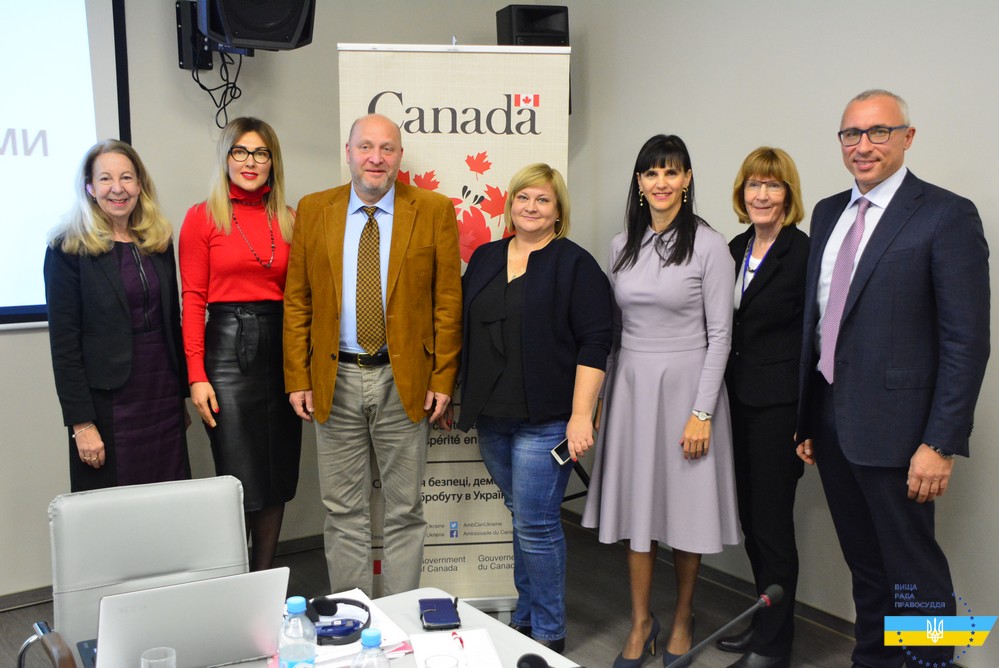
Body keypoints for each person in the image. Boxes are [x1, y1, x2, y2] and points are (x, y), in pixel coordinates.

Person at [795, 90, 989, 667]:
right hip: (832, 423)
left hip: (903, 435)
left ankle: (932, 663)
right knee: (866, 566)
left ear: (907, 137)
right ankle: (873, 660)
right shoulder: (827, 212)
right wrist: (810, 419)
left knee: (915, 573)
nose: (863, 145)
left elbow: (967, 341)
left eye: (879, 132)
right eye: (851, 134)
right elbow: (820, 321)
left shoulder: (946, 214)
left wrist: (940, 443)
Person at [283, 113, 462, 596]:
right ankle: (353, 616)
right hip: (334, 378)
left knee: (405, 510)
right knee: (343, 511)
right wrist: (298, 376)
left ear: (400, 156)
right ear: (348, 151)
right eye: (366, 147)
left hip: (404, 381)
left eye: (386, 148)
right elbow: (297, 300)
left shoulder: (432, 210)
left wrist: (442, 379)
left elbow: (448, 302)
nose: (375, 158)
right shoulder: (315, 209)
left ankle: (398, 616)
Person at [582, 134, 740, 668]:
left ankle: (682, 617)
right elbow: (612, 331)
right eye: (652, 173)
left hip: (688, 390)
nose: (661, 182)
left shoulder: (711, 246)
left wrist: (702, 413)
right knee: (639, 510)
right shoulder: (620, 245)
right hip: (631, 387)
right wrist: (600, 398)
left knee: (686, 511)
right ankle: (641, 621)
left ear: (687, 179)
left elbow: (721, 336)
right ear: (640, 181)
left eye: (672, 172)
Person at [458, 163, 612, 654]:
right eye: (523, 197)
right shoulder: (485, 257)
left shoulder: (576, 265)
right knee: (523, 515)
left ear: (558, 210)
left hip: (547, 420)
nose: (531, 207)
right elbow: (463, 329)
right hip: (492, 417)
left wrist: (582, 414)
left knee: (536, 523)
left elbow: (595, 342)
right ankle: (525, 617)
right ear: (510, 204)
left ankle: (547, 632)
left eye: (543, 199)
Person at [179, 117, 302, 572]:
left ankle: (265, 580)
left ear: (273, 162)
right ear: (226, 158)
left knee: (276, 475)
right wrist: (196, 375)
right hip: (227, 353)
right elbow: (193, 299)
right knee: (240, 478)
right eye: (241, 152)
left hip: (281, 352)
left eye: (261, 153)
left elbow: (301, 298)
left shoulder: (290, 219)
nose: (251, 162)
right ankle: (236, 581)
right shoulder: (202, 217)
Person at [45, 140, 190, 492]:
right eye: (105, 178)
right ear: (89, 188)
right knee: (115, 509)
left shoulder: (158, 240)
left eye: (126, 177)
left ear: (139, 184)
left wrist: (180, 398)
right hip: (109, 406)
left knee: (168, 501)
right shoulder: (67, 247)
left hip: (161, 396)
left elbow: (171, 323)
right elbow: (64, 345)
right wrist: (81, 424)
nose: (117, 188)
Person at [718, 148, 809, 668]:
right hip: (735, 404)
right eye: (754, 185)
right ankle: (763, 622)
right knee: (752, 521)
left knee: (773, 527)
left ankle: (774, 647)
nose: (762, 195)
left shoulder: (805, 253)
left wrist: (808, 420)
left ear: (788, 194)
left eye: (773, 186)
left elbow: (817, 342)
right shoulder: (735, 248)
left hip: (780, 410)